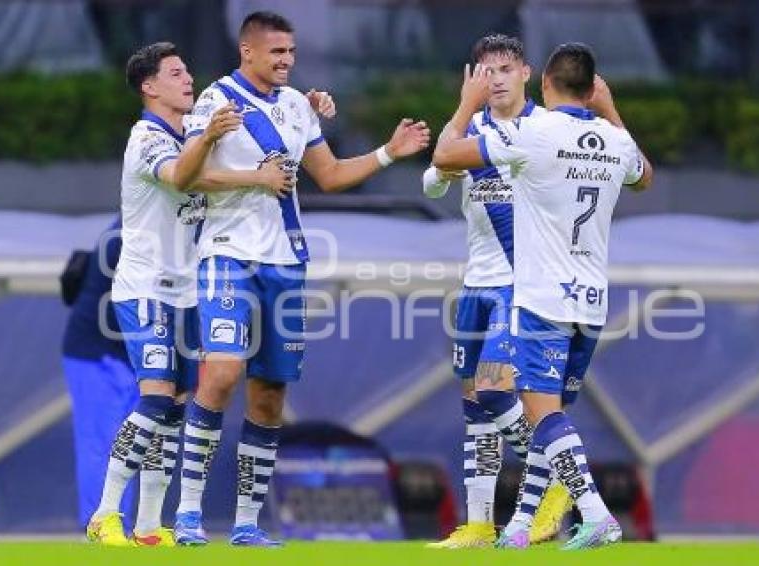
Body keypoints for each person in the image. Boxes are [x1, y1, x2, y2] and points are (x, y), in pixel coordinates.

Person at [172, 10, 430, 547]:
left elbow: (330, 176)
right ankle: (188, 514)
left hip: (285, 262)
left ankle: (246, 523)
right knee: (220, 375)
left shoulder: (296, 106)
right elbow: (185, 177)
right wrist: (249, 174)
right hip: (226, 255)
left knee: (268, 396)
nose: (288, 60)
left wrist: (388, 152)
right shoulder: (215, 100)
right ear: (248, 51)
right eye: (277, 52)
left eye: (291, 52)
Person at [85, 40, 318, 547]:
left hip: (188, 292)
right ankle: (105, 513)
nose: (188, 79)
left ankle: (149, 525)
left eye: (188, 69)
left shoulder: (192, 133)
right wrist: (256, 178)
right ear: (149, 87)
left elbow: (216, 165)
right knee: (155, 400)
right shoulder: (146, 137)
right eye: (175, 73)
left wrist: (303, 111)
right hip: (145, 287)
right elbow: (184, 177)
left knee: (176, 409)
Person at [433, 42, 652, 550]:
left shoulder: (533, 133)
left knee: (539, 414)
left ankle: (594, 513)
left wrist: (467, 104)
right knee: (546, 415)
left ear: (544, 83)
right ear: (593, 89)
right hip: (592, 301)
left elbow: (446, 155)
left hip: (539, 298)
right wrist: (612, 111)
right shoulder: (615, 141)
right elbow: (645, 177)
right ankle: (516, 528)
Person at [422, 33, 570, 548]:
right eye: (486, 71)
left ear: (525, 73)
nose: (497, 79)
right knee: (474, 405)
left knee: (493, 388)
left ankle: (558, 472)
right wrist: (462, 113)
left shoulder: (544, 129)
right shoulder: (469, 129)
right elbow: (432, 184)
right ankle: (481, 523)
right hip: (476, 281)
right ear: (474, 78)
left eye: (506, 69)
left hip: (522, 282)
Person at [61, 217, 138, 531]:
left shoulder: (141, 224)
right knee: (102, 443)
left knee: (128, 447)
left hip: (125, 355)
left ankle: (120, 526)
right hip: (97, 354)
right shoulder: (129, 232)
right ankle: (98, 527)